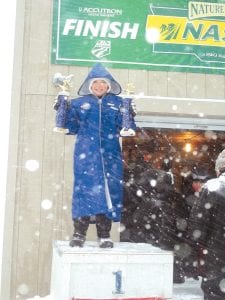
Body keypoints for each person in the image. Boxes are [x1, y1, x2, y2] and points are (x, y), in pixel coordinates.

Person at [55, 63, 136, 248]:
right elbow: (70, 127)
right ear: (90, 85)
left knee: (108, 194)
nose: (99, 86)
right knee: (83, 193)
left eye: (103, 83)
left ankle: (104, 234)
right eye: (96, 83)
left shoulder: (117, 103)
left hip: (110, 156)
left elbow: (125, 127)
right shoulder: (78, 104)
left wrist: (129, 112)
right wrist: (62, 108)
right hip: (86, 156)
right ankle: (79, 233)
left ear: (109, 86)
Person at [188, 149, 225, 300]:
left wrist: (196, 244)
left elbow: (198, 221)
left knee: (212, 289)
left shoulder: (211, 187)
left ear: (219, 168)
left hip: (215, 251)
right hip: (215, 248)